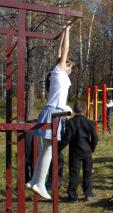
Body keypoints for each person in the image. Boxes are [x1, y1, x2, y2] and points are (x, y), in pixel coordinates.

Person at [26, 23, 75, 199]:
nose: (70, 70)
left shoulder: (56, 73)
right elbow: (64, 49)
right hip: (54, 112)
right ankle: (40, 183)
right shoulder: (59, 71)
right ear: (64, 64)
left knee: (45, 149)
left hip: (51, 111)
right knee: (48, 150)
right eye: (69, 66)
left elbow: (59, 51)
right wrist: (68, 31)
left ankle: (33, 180)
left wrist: (62, 32)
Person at [61, 101, 98, 202]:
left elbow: (66, 139)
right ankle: (88, 194)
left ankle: (72, 196)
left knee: (74, 174)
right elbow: (95, 138)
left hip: (74, 152)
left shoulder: (70, 122)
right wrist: (92, 148)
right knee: (88, 173)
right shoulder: (90, 123)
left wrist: (58, 148)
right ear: (86, 111)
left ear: (73, 110)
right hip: (87, 151)